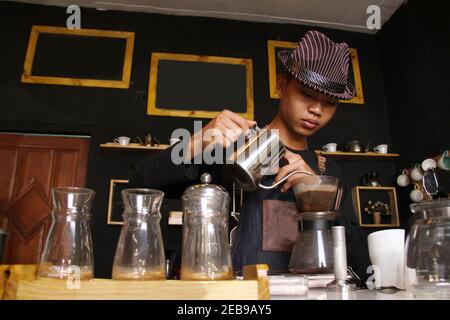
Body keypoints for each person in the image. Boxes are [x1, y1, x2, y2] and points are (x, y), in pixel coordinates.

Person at [129, 30, 371, 280]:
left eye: (329, 103)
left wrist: (319, 200)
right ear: (281, 85)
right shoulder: (229, 146)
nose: (316, 109)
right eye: (307, 94)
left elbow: (360, 262)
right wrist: (195, 142)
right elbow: (139, 182)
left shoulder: (326, 170)